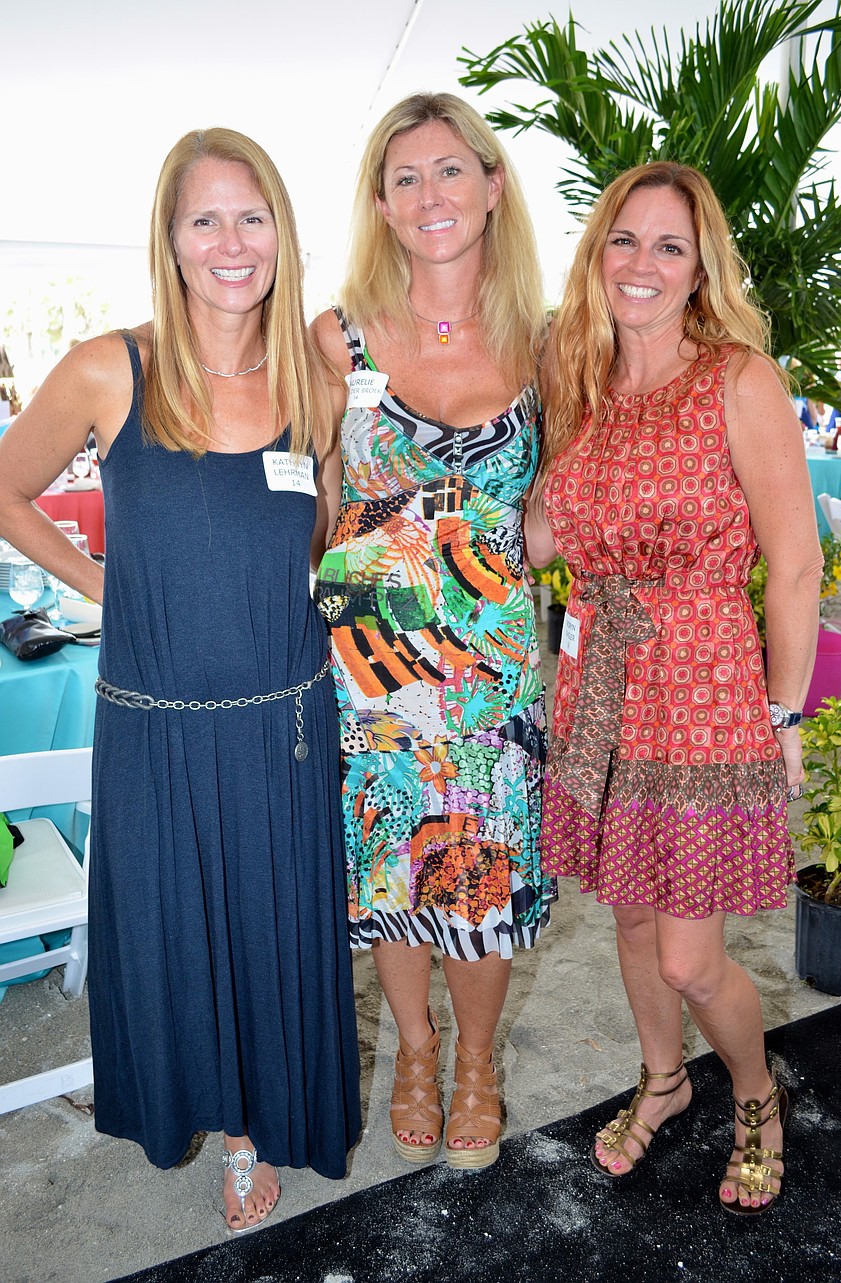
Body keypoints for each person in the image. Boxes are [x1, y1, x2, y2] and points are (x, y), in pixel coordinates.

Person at [0, 128, 361, 1233]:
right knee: (176, 930)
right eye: (203, 217)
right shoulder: (113, 364)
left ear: (282, 232)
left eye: (251, 215)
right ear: (169, 236)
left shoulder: (314, 376)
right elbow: (7, 490)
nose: (230, 240)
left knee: (267, 930)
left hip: (284, 718)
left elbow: (318, 533)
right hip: (157, 721)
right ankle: (193, 1101)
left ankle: (256, 1129)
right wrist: (106, 584)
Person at [527, 161, 822, 1214]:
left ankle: (753, 1090)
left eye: (667, 246)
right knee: (630, 920)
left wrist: (782, 712)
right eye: (623, 240)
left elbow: (794, 560)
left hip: (701, 686)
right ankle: (662, 1077)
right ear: (595, 255)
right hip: (601, 681)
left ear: (699, 268)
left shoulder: (735, 377)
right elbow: (546, 533)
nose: (640, 264)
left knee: (694, 954)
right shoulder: (581, 381)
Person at [311, 92, 554, 1170]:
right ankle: (413, 1048)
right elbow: (307, 491)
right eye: (404, 177)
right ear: (380, 203)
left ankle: (476, 1062)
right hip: (364, 669)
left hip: (494, 672)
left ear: (493, 185)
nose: (429, 194)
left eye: (450, 170)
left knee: (484, 873)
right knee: (388, 865)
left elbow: (563, 508)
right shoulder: (337, 335)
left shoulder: (548, 345)